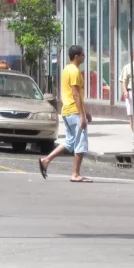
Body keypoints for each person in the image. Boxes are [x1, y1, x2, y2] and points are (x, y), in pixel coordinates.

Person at [39, 44, 92, 182]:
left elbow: (76, 94)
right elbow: (75, 94)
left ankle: (46, 160)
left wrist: (86, 112)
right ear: (76, 56)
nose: (84, 57)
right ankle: (75, 174)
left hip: (67, 110)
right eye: (83, 55)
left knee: (70, 142)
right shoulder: (74, 71)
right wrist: (82, 115)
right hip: (74, 111)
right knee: (81, 143)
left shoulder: (66, 69)